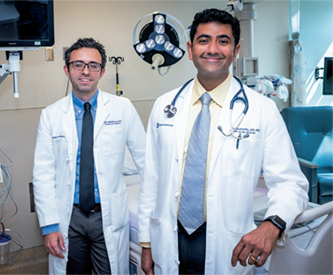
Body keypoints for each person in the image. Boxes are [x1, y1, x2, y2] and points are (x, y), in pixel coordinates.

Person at [138, 8, 309, 275]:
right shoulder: (164, 106)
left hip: (227, 241)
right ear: (190, 47)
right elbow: (151, 180)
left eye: (223, 41)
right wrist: (147, 243)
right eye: (204, 40)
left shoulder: (261, 109)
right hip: (170, 237)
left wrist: (272, 224)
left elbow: (291, 183)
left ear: (236, 50)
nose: (213, 49)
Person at [33, 37, 145, 275]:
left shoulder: (122, 108)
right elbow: (42, 174)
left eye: (93, 65)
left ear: (102, 71)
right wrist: (49, 226)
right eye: (78, 64)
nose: (86, 71)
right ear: (67, 69)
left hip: (109, 214)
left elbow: (147, 163)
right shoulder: (50, 115)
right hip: (69, 216)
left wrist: (151, 220)